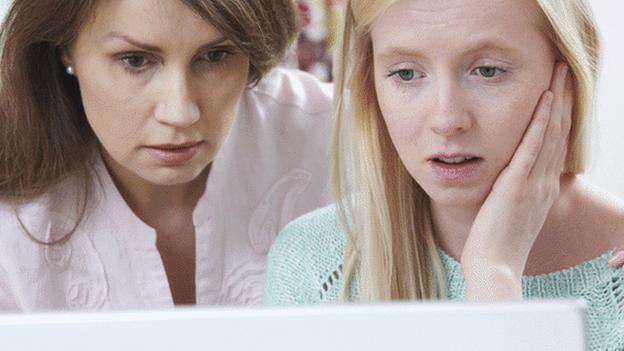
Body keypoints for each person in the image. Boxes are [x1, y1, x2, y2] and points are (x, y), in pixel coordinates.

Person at [265, 0, 623, 349]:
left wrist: (493, 279)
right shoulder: (313, 264)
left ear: (570, 72)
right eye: (406, 73)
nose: (446, 120)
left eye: (488, 70)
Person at [0, 0, 333, 311]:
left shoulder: (337, 137)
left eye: (216, 56)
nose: (180, 113)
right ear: (65, 49)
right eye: (135, 60)